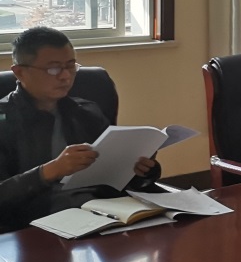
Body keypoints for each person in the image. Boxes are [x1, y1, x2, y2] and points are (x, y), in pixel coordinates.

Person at [0, 26, 159, 232]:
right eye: (53, 69)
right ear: (20, 72)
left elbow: (112, 178)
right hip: (32, 226)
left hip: (98, 215)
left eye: (71, 66)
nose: (66, 76)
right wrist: (50, 171)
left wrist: (141, 171)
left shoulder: (86, 111)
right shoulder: (5, 121)